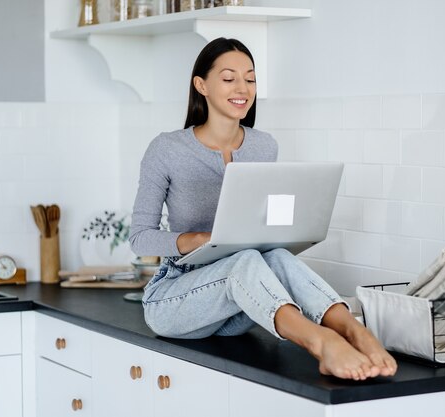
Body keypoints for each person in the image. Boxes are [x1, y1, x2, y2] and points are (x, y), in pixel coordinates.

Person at [129, 37, 397, 381]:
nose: (242, 88)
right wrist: (200, 239)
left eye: (250, 79)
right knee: (244, 260)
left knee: (277, 258)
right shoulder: (166, 148)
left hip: (240, 306)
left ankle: (355, 331)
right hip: (175, 300)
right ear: (201, 85)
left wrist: (283, 232)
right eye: (229, 79)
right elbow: (140, 238)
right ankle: (320, 341)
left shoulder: (263, 146)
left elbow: (264, 227)